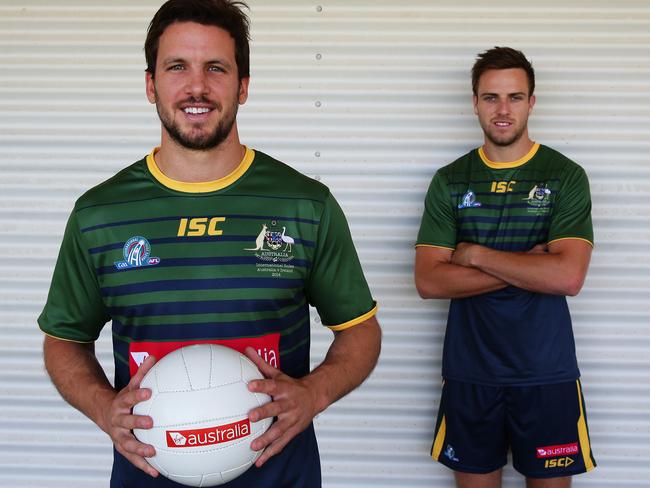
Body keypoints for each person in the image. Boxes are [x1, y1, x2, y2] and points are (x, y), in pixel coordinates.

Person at [38, 1, 381, 487]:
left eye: (215, 68)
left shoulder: (305, 205)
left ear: (243, 86)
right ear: (150, 84)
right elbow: (64, 340)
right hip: (147, 475)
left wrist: (314, 394)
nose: (196, 87)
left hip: (280, 476)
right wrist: (103, 408)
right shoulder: (100, 214)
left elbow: (360, 331)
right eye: (176, 66)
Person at [414, 47, 596, 488]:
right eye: (491, 97)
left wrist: (475, 254)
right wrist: (529, 265)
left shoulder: (564, 176)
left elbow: (567, 277)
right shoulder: (451, 180)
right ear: (474, 102)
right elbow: (429, 280)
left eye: (515, 97)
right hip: (470, 372)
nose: (502, 109)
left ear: (532, 102)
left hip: (545, 373)